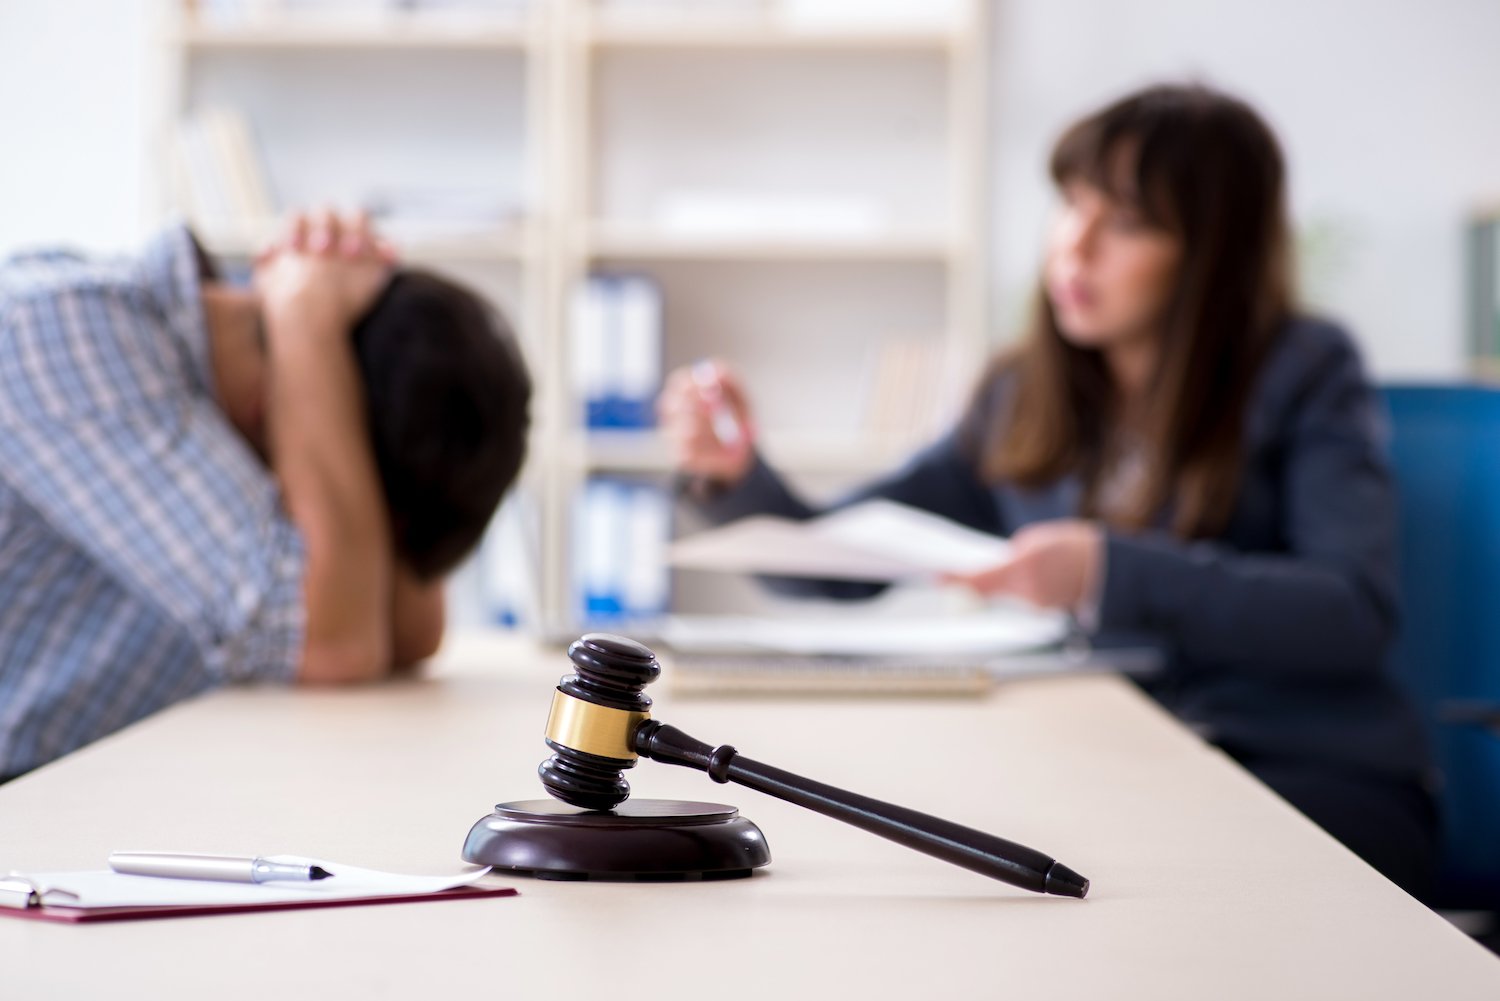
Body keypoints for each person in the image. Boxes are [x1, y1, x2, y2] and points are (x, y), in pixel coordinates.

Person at [657, 84, 1436, 897]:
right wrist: (737, 476)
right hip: (1133, 771)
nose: (1076, 243)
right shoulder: (1023, 394)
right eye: (1071, 204)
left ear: (1213, 254)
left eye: (1127, 221)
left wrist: (1109, 571)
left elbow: (1351, 610)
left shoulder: (1307, 369)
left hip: (1311, 774)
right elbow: (836, 559)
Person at [0, 210, 531, 781]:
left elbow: (408, 633)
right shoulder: (60, 332)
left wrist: (305, 321)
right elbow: (335, 645)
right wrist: (304, 320)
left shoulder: (242, 386)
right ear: (282, 412)